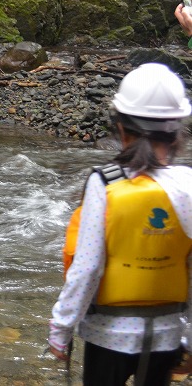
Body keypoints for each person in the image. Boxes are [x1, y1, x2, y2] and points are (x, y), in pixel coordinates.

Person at [48, 62, 192, 385]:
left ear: (121, 128)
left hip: (107, 337)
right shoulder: (189, 185)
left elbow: (86, 268)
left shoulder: (105, 183)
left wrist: (61, 329)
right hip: (166, 338)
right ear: (176, 132)